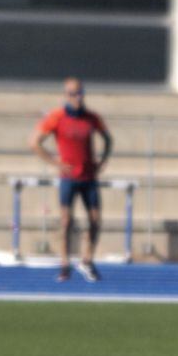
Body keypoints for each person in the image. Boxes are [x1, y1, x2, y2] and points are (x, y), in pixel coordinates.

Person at [30, 77, 112, 282]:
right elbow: (34, 142)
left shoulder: (91, 117)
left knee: (95, 220)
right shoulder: (57, 117)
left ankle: (87, 260)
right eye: (72, 94)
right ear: (66, 95)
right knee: (66, 221)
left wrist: (102, 161)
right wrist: (55, 163)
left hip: (88, 177)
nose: (77, 97)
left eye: (80, 93)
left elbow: (108, 139)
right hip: (68, 177)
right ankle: (65, 263)